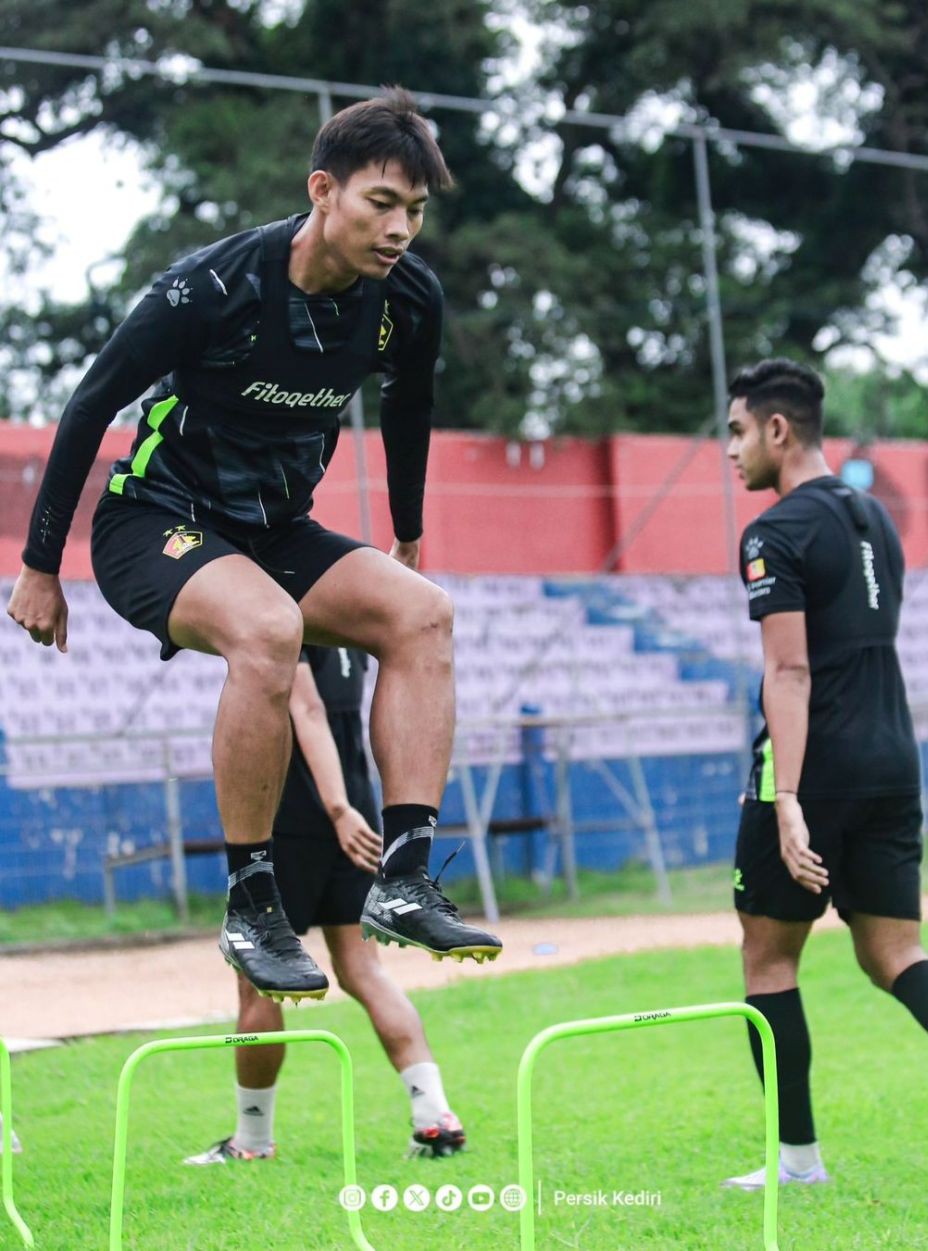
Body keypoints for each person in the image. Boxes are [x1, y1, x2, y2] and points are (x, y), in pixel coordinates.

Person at [6, 88, 502, 1001]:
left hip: (273, 531)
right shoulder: (214, 285)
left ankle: (403, 876)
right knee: (270, 628)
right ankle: (250, 902)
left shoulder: (407, 300)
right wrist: (42, 566)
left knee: (424, 615)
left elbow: (412, 406)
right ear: (323, 190)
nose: (400, 229)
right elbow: (89, 402)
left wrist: (409, 525)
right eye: (380, 204)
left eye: (416, 211)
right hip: (151, 520)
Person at [724, 358, 928, 1188]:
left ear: (779, 430)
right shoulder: (874, 513)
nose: (731, 453)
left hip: (816, 766)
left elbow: (793, 672)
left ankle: (798, 1163)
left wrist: (791, 799)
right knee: (893, 951)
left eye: (737, 433)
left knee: (769, 961)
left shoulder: (772, 533)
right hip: (893, 756)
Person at [186, 645, 465, 1163]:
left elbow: (307, 708)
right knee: (363, 969)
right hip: (358, 810)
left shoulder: (290, 605)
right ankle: (434, 1114)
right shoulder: (352, 613)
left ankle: (250, 1142)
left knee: (259, 978)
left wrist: (334, 808)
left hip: (291, 816)